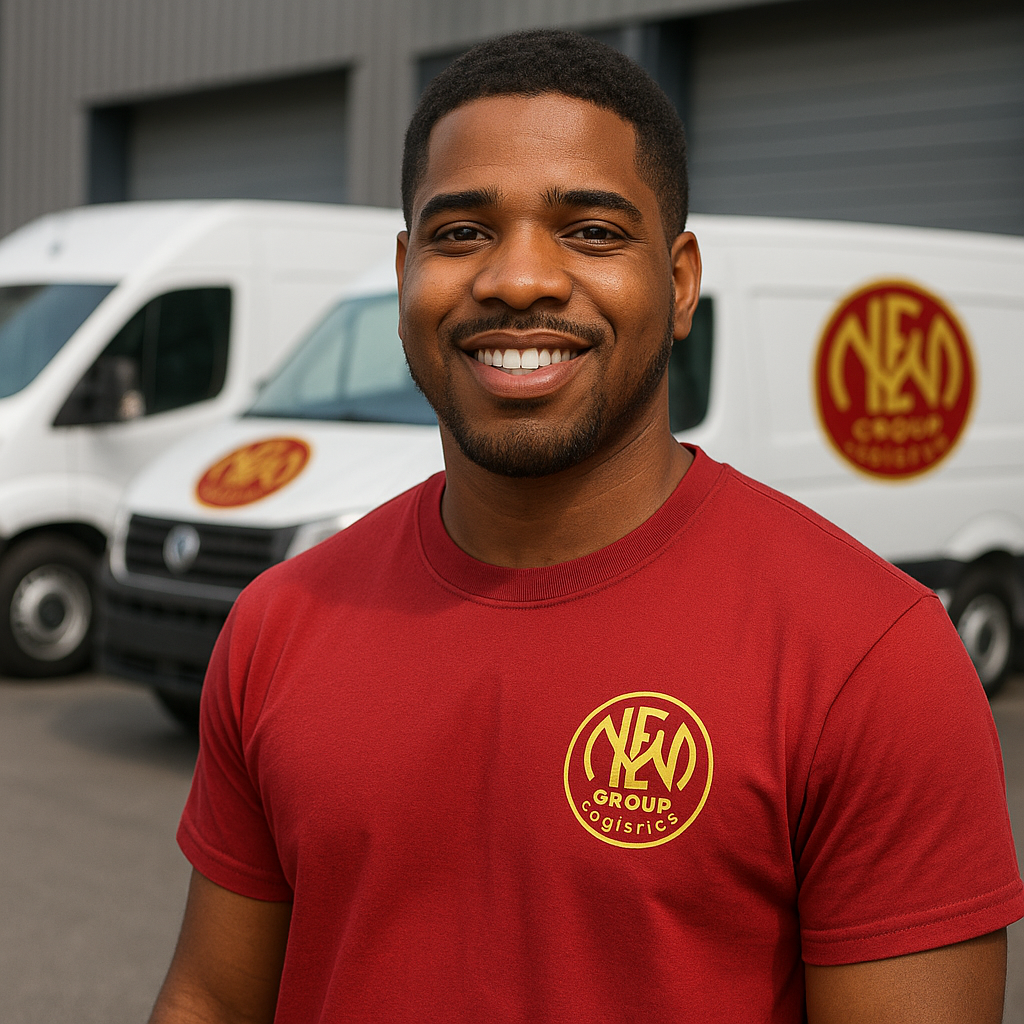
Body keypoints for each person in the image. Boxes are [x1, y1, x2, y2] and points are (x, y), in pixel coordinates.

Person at [149, 30, 1023, 1024]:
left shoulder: (870, 658)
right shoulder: (278, 623)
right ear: (404, 274)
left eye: (593, 231)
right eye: (461, 231)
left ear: (681, 279)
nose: (518, 278)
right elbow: (212, 997)